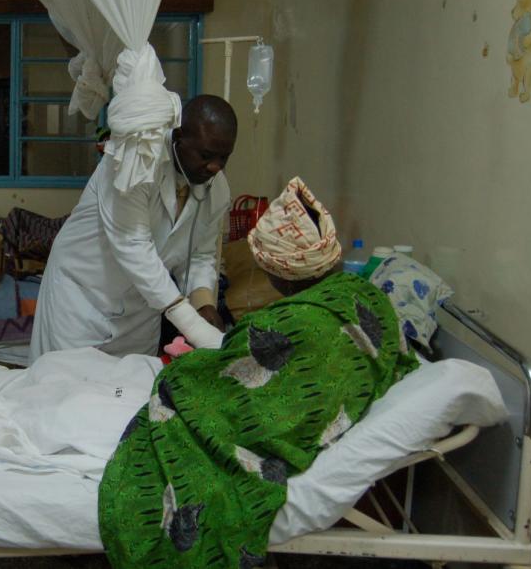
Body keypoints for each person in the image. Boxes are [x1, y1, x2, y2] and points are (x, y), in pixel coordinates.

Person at [98, 177, 418, 569]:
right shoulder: (367, 294)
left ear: (279, 272)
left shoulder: (296, 321)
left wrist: (186, 369)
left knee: (176, 382)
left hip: (283, 426)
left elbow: (231, 391)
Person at [30, 95, 236, 362]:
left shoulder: (216, 189)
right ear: (178, 137)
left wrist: (203, 302)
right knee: (65, 394)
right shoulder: (131, 162)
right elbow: (134, 247)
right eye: (206, 155)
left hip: (141, 314)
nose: (215, 167)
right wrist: (195, 328)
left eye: (224, 157)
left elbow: (199, 254)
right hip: (82, 302)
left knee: (129, 396)